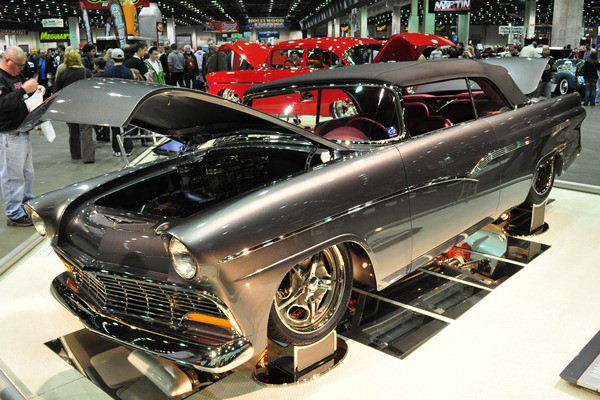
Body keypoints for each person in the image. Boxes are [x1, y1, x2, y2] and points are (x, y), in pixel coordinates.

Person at [0, 46, 43, 227]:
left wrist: (36, 90)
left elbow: (23, 92)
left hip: (22, 131)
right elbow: (3, 104)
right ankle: (14, 213)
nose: (20, 69)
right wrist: (23, 90)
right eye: (18, 65)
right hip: (9, 134)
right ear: (7, 61)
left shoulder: (16, 76)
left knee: (27, 173)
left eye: (23, 66)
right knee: (12, 176)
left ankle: (25, 202)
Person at [54, 50, 95, 163]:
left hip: (69, 106)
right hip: (85, 104)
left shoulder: (63, 74)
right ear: (78, 59)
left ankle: (76, 154)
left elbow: (56, 91)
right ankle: (88, 157)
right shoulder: (87, 72)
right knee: (86, 130)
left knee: (73, 131)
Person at [103, 48, 134, 156]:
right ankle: (128, 149)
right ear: (123, 58)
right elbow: (132, 87)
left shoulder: (107, 72)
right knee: (127, 125)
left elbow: (106, 89)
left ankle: (117, 149)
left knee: (115, 126)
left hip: (113, 102)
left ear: (112, 58)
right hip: (126, 101)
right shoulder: (128, 72)